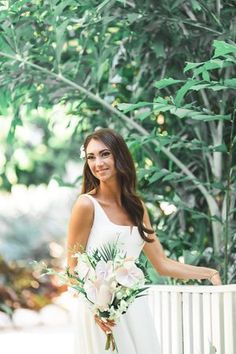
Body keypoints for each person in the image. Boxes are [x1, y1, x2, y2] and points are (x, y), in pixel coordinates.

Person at [67, 128, 222, 354]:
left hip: (134, 310)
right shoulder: (86, 205)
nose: (97, 163)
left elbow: (162, 263)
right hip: (100, 316)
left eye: (105, 154)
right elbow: (71, 270)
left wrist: (207, 273)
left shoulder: (138, 209)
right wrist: (96, 310)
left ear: (119, 156)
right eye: (91, 157)